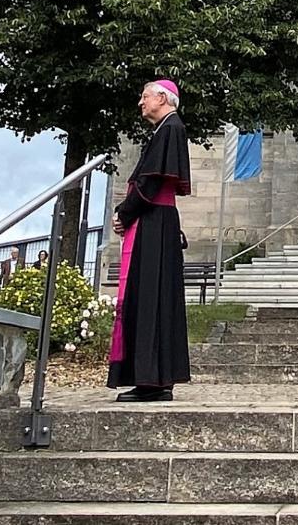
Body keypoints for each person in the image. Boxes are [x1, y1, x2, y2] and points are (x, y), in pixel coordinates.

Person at [107, 79, 192, 402]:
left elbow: (151, 183)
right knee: (153, 298)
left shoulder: (170, 129)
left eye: (145, 96)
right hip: (156, 222)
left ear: (162, 98)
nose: (141, 103)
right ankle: (156, 378)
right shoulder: (165, 130)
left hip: (154, 223)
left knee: (149, 299)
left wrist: (125, 212)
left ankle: (151, 381)